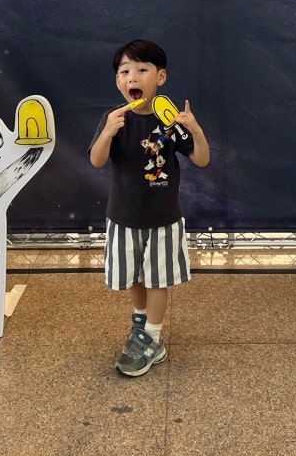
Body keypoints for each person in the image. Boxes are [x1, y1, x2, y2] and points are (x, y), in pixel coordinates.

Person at [89, 40, 210, 376]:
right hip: (123, 217)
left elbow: (202, 159)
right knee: (134, 276)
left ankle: (153, 338)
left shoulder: (170, 122)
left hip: (162, 219)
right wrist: (108, 133)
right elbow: (96, 161)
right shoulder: (113, 119)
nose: (133, 76)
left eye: (142, 69)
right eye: (125, 71)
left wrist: (195, 129)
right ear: (118, 81)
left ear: (160, 77)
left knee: (157, 280)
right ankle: (141, 323)